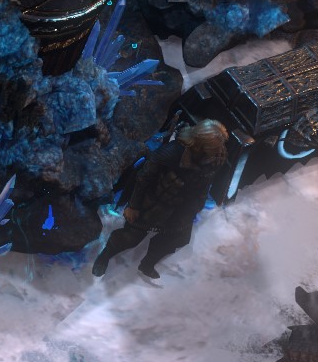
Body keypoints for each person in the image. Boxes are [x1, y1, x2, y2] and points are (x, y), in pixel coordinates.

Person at [93, 119, 232, 279]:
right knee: (130, 238)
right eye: (212, 148)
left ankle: (147, 264)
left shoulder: (215, 157)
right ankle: (105, 256)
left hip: (182, 207)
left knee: (176, 239)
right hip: (154, 201)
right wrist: (133, 206)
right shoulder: (172, 152)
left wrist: (193, 208)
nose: (217, 152)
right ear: (199, 145)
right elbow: (144, 178)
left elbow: (204, 184)